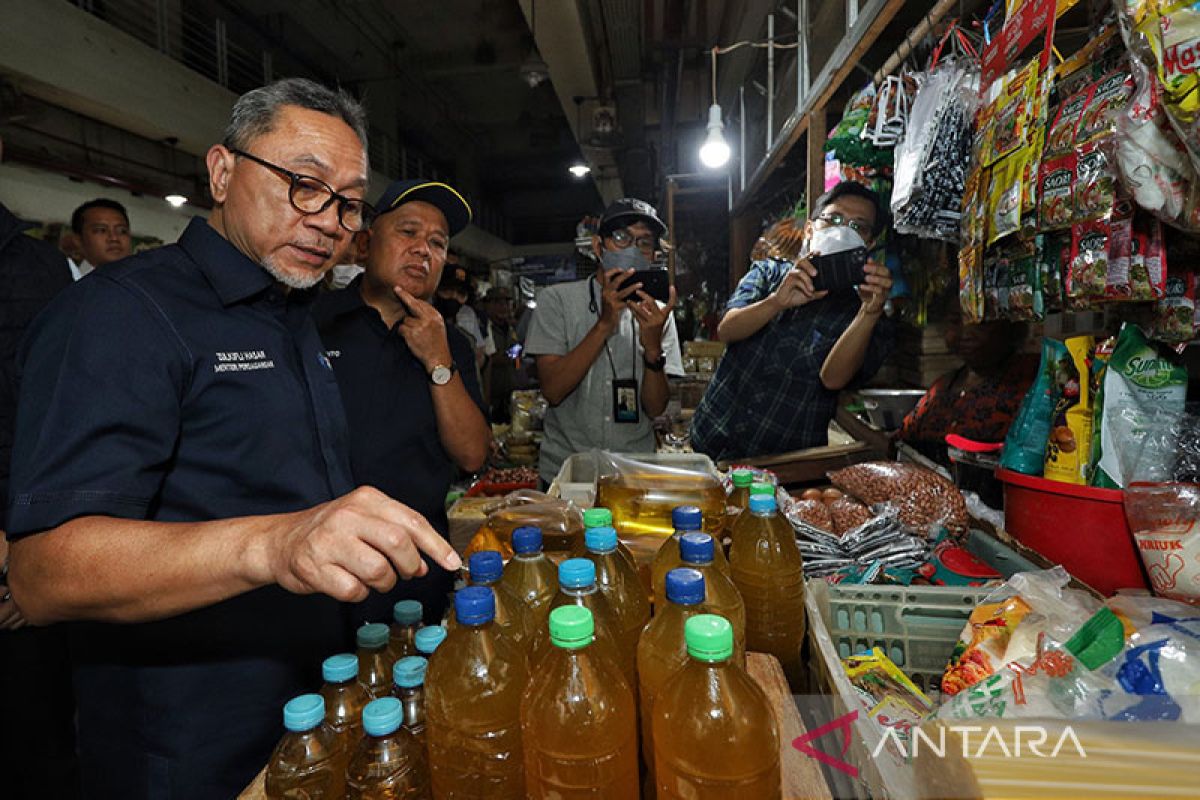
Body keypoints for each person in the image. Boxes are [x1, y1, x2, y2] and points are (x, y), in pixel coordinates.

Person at [5, 78, 460, 800]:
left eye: (347, 202)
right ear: (222, 171)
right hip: (186, 746)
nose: (329, 222)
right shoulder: (123, 314)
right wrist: (277, 543)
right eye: (304, 186)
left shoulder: (287, 314)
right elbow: (43, 572)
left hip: (303, 715)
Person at [315, 179, 490, 625]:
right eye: (408, 232)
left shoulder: (453, 343)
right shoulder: (313, 323)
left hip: (415, 564)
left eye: (437, 243)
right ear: (365, 243)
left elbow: (471, 454)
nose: (423, 250)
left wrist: (438, 360)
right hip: (319, 560)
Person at [689, 181, 895, 462]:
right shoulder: (769, 272)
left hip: (787, 464)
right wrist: (777, 301)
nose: (843, 230)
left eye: (857, 226)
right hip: (711, 440)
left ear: (868, 244)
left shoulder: (866, 312)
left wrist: (868, 313)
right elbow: (727, 329)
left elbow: (832, 380)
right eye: (834, 219)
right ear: (811, 230)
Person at [0, 169, 79, 797]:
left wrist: (22, 545)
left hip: (21, 547)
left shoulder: (37, 268)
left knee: (37, 742)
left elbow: (56, 415)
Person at [524, 197, 685, 486]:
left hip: (633, 474)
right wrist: (605, 325)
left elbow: (656, 408)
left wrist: (652, 349)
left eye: (645, 242)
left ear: (653, 255)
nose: (634, 249)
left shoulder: (658, 314)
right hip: (568, 474)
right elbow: (553, 391)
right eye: (622, 238)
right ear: (599, 247)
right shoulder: (557, 300)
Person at [898, 295, 1038, 464]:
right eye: (956, 321)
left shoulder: (1027, 380)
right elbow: (900, 444)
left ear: (1010, 325)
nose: (966, 333)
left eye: (980, 322)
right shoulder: (942, 387)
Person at [68, 198, 132, 279]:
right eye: (101, 230)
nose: (114, 238)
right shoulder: (67, 283)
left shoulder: (143, 284)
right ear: (78, 240)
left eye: (122, 231)